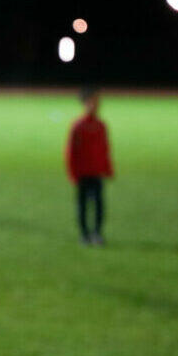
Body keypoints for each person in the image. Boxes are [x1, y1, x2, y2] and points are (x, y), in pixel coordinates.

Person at [65, 85, 114, 245]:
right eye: (93, 101)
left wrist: (108, 168)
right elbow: (71, 151)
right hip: (82, 173)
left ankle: (97, 233)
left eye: (98, 101)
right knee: (82, 205)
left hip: (96, 172)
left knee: (99, 204)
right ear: (85, 103)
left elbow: (105, 149)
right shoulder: (78, 125)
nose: (97, 104)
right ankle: (84, 234)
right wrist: (73, 173)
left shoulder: (101, 125)